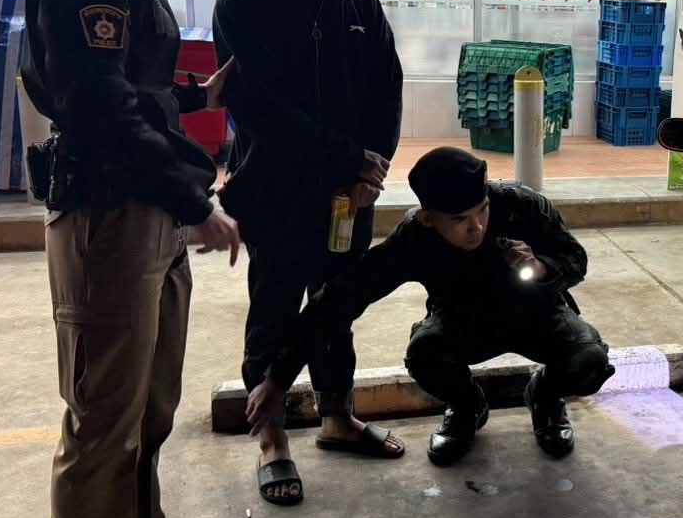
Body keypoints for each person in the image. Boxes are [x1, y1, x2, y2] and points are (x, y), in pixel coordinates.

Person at [21, 0, 240, 518]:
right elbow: (99, 112)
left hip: (145, 217)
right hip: (108, 218)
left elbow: (126, 91)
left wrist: (187, 98)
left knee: (148, 406)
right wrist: (195, 199)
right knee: (103, 416)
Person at [212, 0, 403, 507]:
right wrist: (350, 157)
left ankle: (337, 416)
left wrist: (374, 167)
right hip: (277, 188)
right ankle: (270, 437)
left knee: (335, 306)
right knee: (273, 306)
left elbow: (386, 90)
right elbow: (258, 105)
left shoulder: (356, 4)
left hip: (348, 194)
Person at [245, 148, 614, 466]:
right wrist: (278, 378)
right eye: (459, 219)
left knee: (590, 362)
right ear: (427, 217)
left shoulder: (521, 206)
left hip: (539, 315)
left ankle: (545, 397)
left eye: (482, 210)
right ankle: (467, 407)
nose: (477, 227)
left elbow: (576, 259)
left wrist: (542, 267)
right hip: (463, 322)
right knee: (424, 355)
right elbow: (341, 299)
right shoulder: (415, 238)